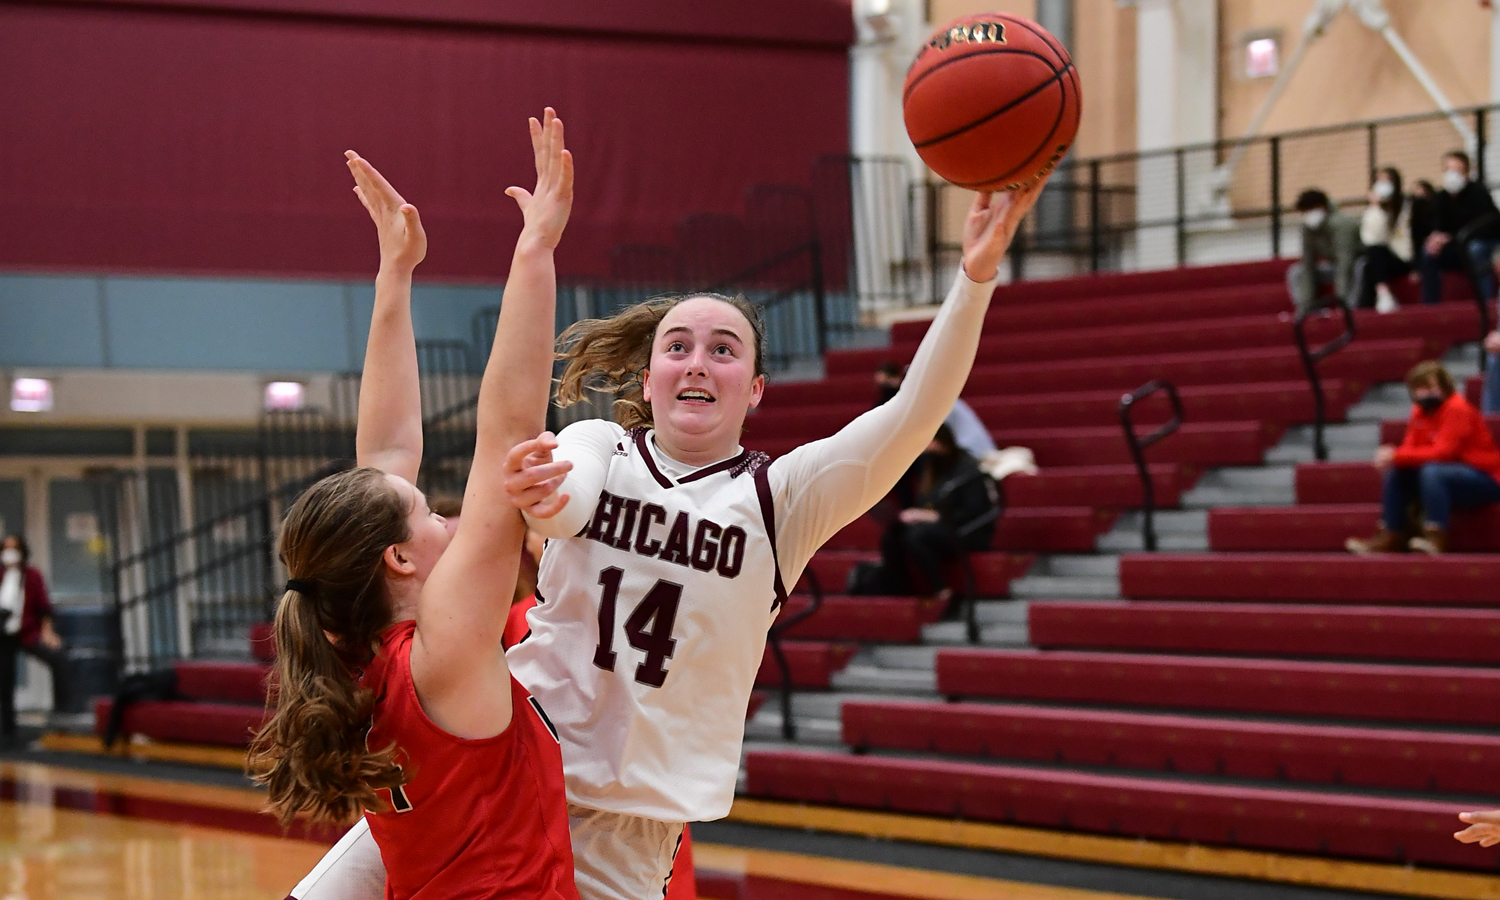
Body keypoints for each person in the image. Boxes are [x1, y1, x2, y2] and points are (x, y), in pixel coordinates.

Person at [287, 168, 1044, 900]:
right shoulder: (599, 445)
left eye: (724, 349)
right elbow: (561, 502)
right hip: (504, 757)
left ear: (755, 388)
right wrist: (544, 499)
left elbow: (912, 415)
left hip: (624, 826)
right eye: (677, 346)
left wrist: (973, 279)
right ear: (647, 380)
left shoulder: (781, 500)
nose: (698, 362)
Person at [252, 110, 579, 900]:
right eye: (431, 514)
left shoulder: (357, 654)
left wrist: (394, 274)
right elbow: (506, 431)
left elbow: (388, 452)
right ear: (397, 558)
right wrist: (535, 249)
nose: (449, 519)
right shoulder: (444, 654)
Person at [1345, 361, 1500, 555]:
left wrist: (1395, 455)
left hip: (1485, 478)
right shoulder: (1419, 412)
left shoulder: (1458, 409)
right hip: (1444, 478)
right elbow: (1410, 448)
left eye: (1430, 387)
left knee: (1432, 471)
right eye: (1420, 389)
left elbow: (1443, 453)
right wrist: (1393, 459)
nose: (1425, 393)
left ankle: (1435, 537)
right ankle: (1390, 535)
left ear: (1444, 387)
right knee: (1399, 472)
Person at [859, 424, 998, 605]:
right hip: (937, 527)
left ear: (943, 441)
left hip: (967, 530)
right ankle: (902, 592)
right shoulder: (931, 468)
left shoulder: (967, 469)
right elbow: (926, 501)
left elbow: (974, 512)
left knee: (916, 537)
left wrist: (934, 516)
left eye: (929, 442)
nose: (925, 449)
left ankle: (941, 591)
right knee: (891, 537)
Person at [0, 535, 71, 739]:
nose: (9, 553)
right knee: (4, 678)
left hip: (27, 632)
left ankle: (62, 713)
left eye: (14, 549)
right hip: (3, 636)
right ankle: (7, 729)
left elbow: (44, 608)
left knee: (58, 657)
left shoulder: (32, 575)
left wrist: (48, 632)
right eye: (6, 549)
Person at [1418, 150, 1500, 306]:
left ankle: (1486, 303)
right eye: (1449, 170)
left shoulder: (1478, 193)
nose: (1452, 175)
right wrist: (1435, 238)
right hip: (1455, 248)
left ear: (1466, 173)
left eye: (1457, 170)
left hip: (1479, 245)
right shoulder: (1441, 198)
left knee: (1475, 249)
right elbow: (1437, 226)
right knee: (1429, 253)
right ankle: (1430, 307)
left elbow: (1490, 225)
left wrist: (1453, 236)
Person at [872, 362, 996, 459]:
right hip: (965, 450)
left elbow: (938, 442)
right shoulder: (938, 399)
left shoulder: (941, 402)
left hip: (974, 454)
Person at [1285, 188, 1363, 313]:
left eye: (1309, 210)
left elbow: (1345, 262)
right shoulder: (1308, 229)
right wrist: (1306, 302)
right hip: (1334, 265)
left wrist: (1340, 301)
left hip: (1354, 264)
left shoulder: (1342, 224)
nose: (1307, 216)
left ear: (1321, 207)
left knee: (1359, 268)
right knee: (1297, 272)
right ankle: (1308, 310)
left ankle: (1348, 309)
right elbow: (1309, 262)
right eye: (1304, 212)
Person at [1355, 167, 1414, 313]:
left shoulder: (1407, 206)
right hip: (1383, 256)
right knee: (1369, 265)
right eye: (1379, 181)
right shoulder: (1377, 210)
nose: (1382, 185)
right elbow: (1370, 239)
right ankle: (1371, 305)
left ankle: (1383, 295)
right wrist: (1375, 208)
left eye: (1387, 181)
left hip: (1404, 258)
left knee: (1373, 260)